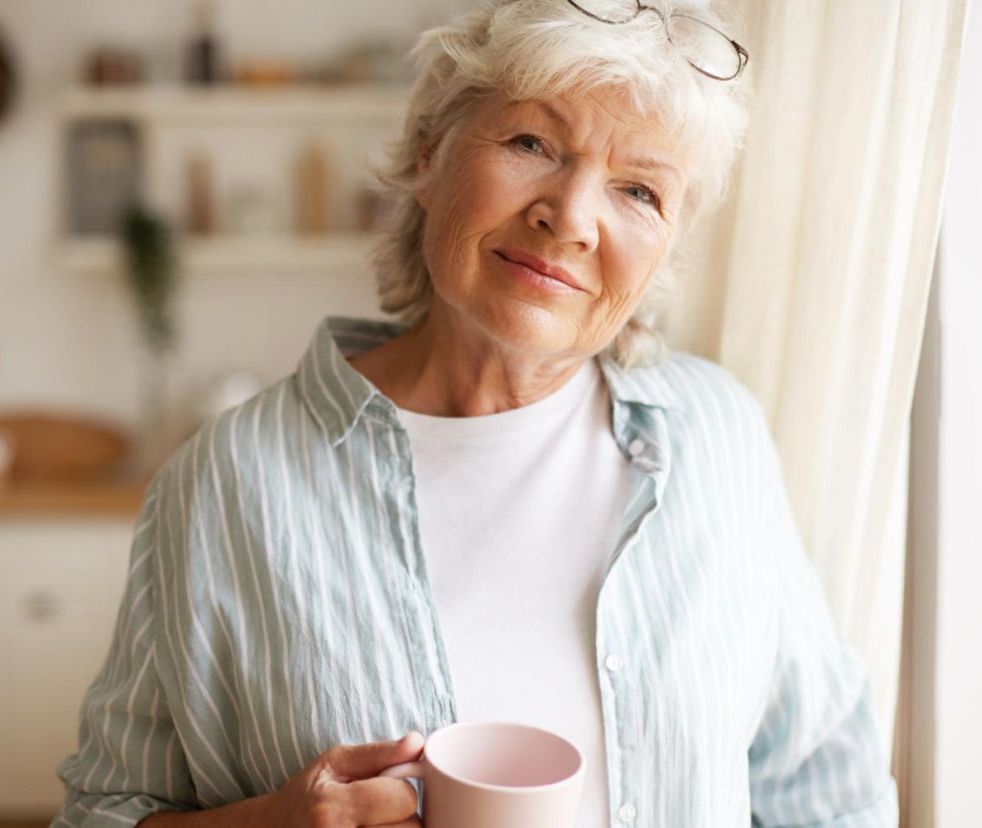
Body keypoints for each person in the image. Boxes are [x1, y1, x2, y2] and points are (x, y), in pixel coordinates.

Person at [52, 1, 899, 826]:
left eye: (639, 191)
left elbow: (828, 790)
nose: (569, 218)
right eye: (533, 143)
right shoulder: (225, 481)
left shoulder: (721, 436)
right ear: (428, 153)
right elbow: (102, 813)